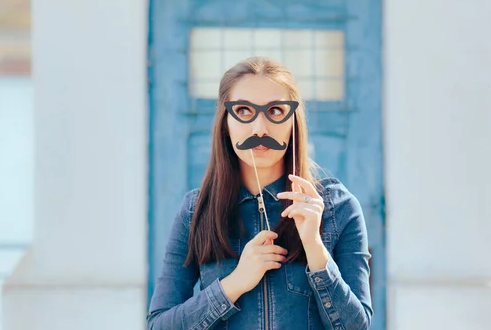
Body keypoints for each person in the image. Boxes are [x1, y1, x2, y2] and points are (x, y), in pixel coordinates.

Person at [147, 57, 373, 330]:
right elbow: (159, 325)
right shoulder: (197, 210)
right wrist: (234, 283)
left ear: (293, 121)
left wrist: (315, 247)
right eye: (243, 111)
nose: (260, 129)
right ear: (225, 121)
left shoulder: (337, 207)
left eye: (276, 111)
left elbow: (356, 327)